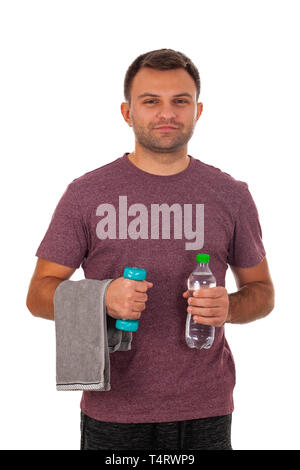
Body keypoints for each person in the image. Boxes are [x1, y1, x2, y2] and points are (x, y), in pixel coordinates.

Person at [26, 48, 275, 450]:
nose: (167, 113)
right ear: (127, 112)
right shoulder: (86, 194)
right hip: (113, 410)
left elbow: (262, 293)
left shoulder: (231, 195)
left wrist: (230, 306)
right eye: (151, 101)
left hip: (205, 408)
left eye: (180, 101)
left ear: (197, 111)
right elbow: (38, 295)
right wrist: (101, 297)